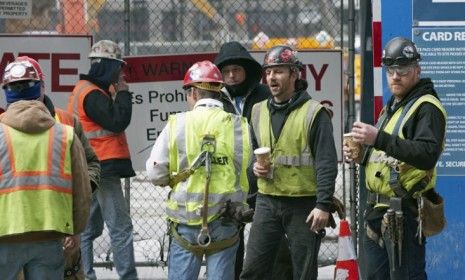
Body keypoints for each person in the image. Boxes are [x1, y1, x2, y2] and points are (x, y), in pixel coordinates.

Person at [343, 37, 446, 279]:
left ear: (417, 71)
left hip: (404, 213)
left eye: (402, 70)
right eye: (390, 70)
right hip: (378, 212)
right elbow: (389, 155)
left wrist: (377, 138)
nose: (395, 76)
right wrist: (362, 155)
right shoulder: (394, 106)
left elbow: (426, 155)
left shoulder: (426, 107)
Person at [146, 60, 252, 280]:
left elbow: (155, 174)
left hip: (187, 220)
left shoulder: (178, 124)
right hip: (227, 217)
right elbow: (246, 167)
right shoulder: (239, 125)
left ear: (193, 92)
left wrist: (175, 178)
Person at [240, 45, 338, 280]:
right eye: (269, 71)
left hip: (303, 205)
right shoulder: (257, 111)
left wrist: (323, 204)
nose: (272, 77)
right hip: (267, 202)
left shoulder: (314, 113)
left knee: (303, 273)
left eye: (279, 71)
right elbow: (254, 152)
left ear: (295, 74)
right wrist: (255, 168)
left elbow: (326, 162)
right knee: (252, 270)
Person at [4, 56, 101, 280]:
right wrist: (76, 224)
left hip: (39, 232)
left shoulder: (67, 123)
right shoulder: (63, 132)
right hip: (46, 232)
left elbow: (91, 166)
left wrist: (73, 224)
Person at [214, 41, 288, 279]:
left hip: (262, 181)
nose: (232, 76)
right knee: (229, 245)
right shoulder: (215, 100)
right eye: (226, 72)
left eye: (237, 70)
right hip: (229, 183)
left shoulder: (265, 95)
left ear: (247, 70)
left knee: (269, 245)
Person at [67, 40, 138, 279]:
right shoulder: (92, 94)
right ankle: (127, 276)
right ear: (110, 66)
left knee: (88, 229)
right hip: (103, 168)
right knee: (121, 228)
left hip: (93, 168)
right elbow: (118, 121)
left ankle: (85, 274)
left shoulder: (90, 90)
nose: (121, 73)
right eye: (119, 67)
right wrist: (124, 93)